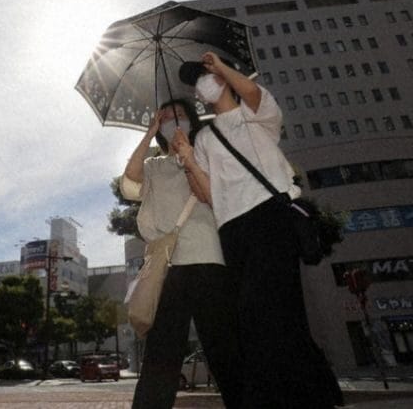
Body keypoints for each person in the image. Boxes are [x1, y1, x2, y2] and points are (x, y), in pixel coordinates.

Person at [173, 52, 344, 408]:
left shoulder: (256, 114)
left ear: (222, 79)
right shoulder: (205, 138)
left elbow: (251, 92)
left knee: (262, 308)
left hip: (270, 217)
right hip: (232, 229)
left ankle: (288, 397)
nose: (200, 86)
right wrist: (188, 160)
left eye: (203, 76)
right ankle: (312, 394)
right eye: (196, 83)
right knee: (262, 314)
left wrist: (220, 66)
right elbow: (207, 195)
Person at [121, 99, 242, 409]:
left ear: (192, 120)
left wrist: (189, 157)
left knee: (224, 347)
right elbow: (129, 183)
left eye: (180, 115)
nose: (173, 121)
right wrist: (149, 134)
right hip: (168, 266)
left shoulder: (207, 154)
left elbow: (216, 198)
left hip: (207, 257)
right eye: (165, 118)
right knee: (161, 353)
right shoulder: (154, 165)